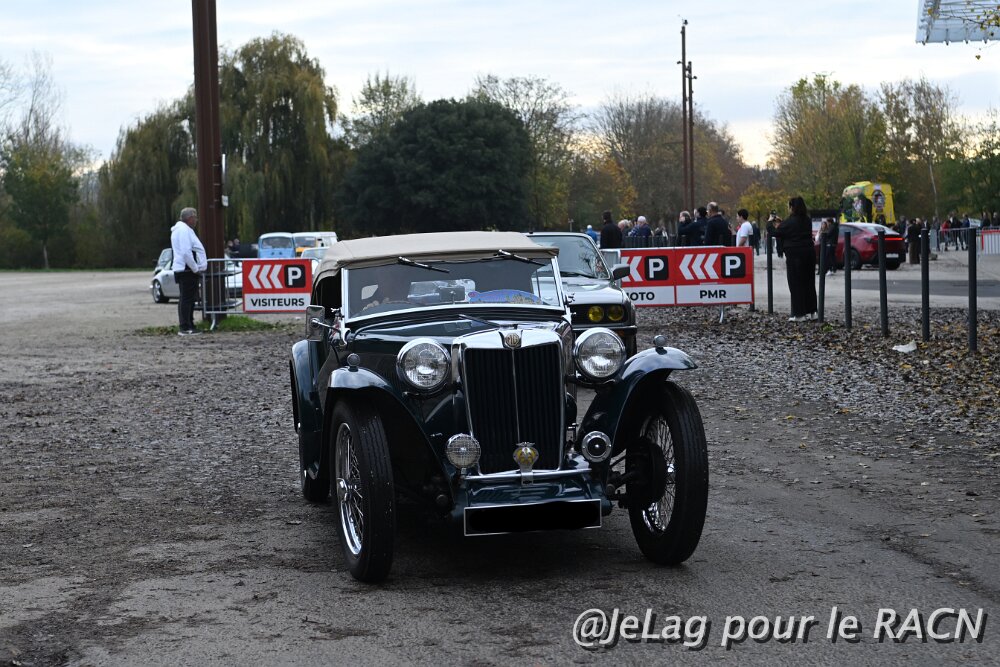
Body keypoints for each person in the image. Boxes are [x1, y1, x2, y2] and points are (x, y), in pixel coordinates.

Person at [767, 196, 817, 322]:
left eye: (789, 206)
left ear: (792, 207)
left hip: (795, 255)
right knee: (809, 283)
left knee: (796, 284)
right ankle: (813, 312)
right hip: (809, 253)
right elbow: (794, 227)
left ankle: (799, 314)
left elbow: (775, 232)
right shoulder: (807, 220)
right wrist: (782, 222)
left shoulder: (789, 222)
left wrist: (769, 222)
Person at [170, 207, 207, 335]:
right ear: (190, 218)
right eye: (195, 217)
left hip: (185, 269)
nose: (196, 220)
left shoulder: (181, 230)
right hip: (187, 269)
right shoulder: (184, 230)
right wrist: (195, 268)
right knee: (187, 299)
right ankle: (185, 327)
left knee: (188, 299)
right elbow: (186, 252)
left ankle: (189, 324)